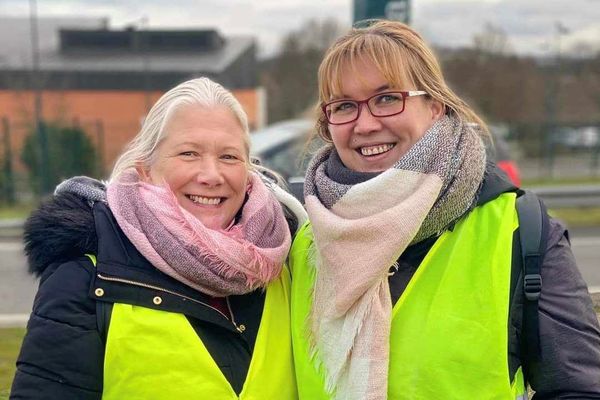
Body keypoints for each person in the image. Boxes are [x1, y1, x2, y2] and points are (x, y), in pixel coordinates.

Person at [289, 20, 600, 399]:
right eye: (344, 106)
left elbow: (580, 389)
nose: (365, 124)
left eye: (388, 99)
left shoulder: (519, 230)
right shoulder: (306, 242)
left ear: (434, 106)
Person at [11, 77, 305, 399]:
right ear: (146, 168)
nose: (211, 175)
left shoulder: (288, 260)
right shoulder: (85, 276)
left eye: (229, 157)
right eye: (189, 153)